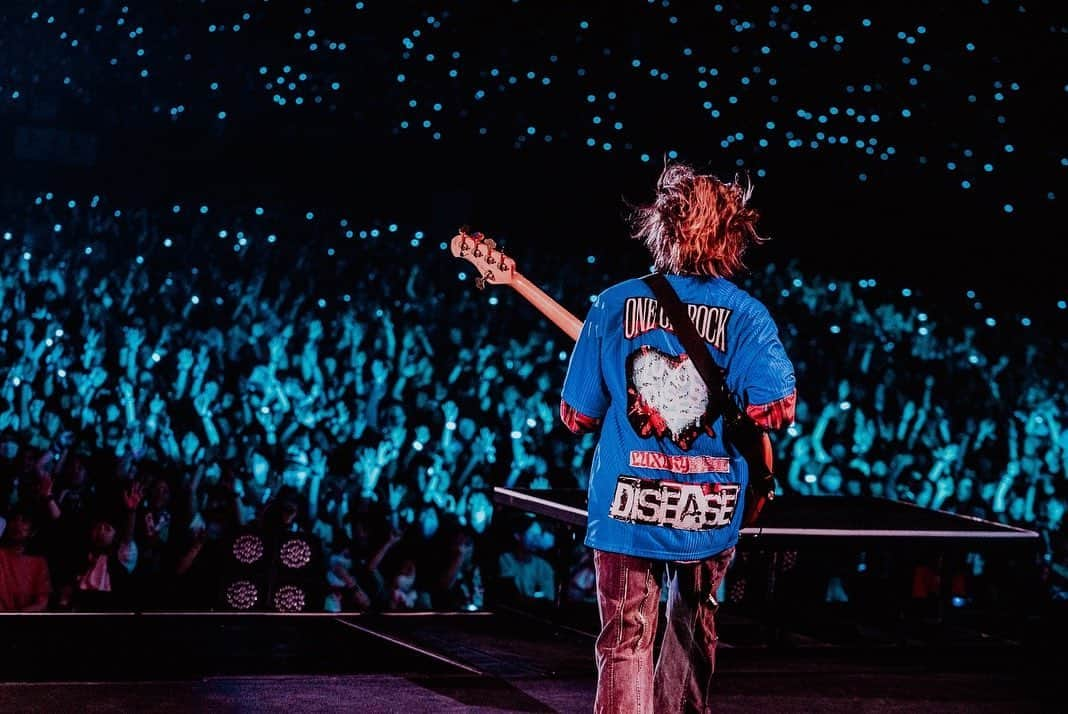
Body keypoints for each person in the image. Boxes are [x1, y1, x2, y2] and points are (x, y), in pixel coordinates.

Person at [560, 161, 797, 713]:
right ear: (731, 234)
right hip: (710, 505)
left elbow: (578, 416)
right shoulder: (747, 315)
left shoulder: (613, 302)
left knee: (624, 640)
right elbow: (774, 409)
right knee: (692, 631)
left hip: (628, 501)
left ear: (660, 227)